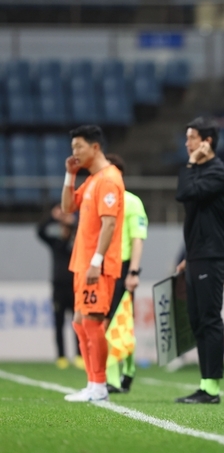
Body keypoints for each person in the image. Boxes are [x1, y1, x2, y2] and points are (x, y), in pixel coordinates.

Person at [61, 125, 125, 402]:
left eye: (79, 146)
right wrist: (70, 174)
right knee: (80, 323)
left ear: (95, 147)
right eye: (73, 147)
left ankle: (99, 385)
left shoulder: (109, 179)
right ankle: (92, 383)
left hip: (97, 265)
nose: (74, 152)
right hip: (82, 263)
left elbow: (109, 224)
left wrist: (97, 261)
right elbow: (67, 207)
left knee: (93, 322)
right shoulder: (92, 180)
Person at [174, 116, 224, 404]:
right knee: (197, 320)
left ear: (206, 141)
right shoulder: (200, 170)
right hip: (197, 256)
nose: (187, 143)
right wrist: (189, 256)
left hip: (211, 256)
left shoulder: (216, 171)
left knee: (209, 319)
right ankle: (205, 383)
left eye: (191, 138)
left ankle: (212, 388)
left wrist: (189, 164)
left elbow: (183, 193)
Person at [104, 154, 148, 394]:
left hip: (122, 267)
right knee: (106, 322)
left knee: (120, 322)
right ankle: (115, 377)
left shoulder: (132, 202)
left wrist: (133, 272)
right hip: (103, 267)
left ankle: (125, 373)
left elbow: (137, 239)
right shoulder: (102, 200)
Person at [37, 205, 82, 370]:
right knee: (59, 323)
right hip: (58, 289)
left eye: (66, 228)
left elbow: (82, 228)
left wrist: (71, 221)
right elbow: (40, 232)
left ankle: (79, 355)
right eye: (62, 227)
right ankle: (61, 356)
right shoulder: (55, 243)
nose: (64, 230)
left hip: (74, 288)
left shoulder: (76, 244)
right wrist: (53, 217)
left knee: (77, 323)